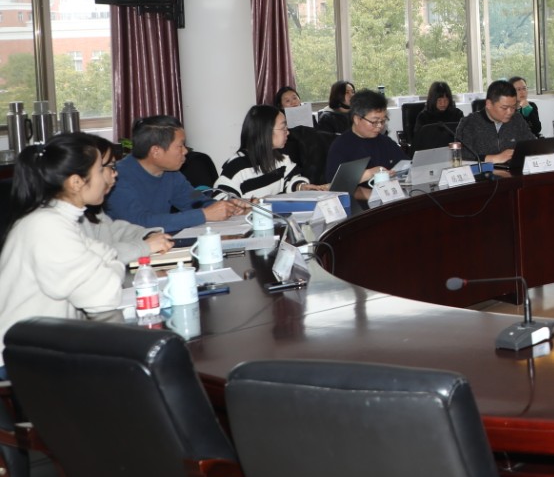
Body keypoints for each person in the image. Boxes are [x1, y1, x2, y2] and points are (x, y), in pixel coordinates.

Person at [0, 133, 155, 360]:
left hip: (44, 349)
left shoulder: (59, 219)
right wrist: (111, 264)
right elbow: (104, 296)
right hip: (20, 360)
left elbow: (105, 256)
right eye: (101, 170)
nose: (110, 176)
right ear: (76, 182)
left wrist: (107, 262)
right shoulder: (47, 226)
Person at [104, 115, 250, 232]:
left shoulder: (171, 174)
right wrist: (204, 215)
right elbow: (140, 222)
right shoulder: (117, 177)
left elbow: (194, 200)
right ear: (156, 151)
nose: (185, 151)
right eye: (180, 146)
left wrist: (227, 207)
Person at [216, 105, 326, 198]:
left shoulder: (282, 159)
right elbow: (219, 199)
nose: (287, 132)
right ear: (265, 132)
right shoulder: (236, 166)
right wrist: (245, 205)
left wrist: (300, 187)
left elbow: (292, 180)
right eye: (283, 128)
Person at [324, 88, 405, 180]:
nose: (379, 126)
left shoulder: (385, 142)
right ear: (357, 119)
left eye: (382, 121)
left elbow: (405, 165)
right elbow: (335, 184)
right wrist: (370, 174)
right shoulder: (341, 146)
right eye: (374, 121)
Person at [454, 79, 535, 165]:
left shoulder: (517, 119)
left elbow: (532, 145)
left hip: (513, 170)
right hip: (483, 172)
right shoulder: (469, 123)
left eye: (513, 107)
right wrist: (494, 158)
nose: (510, 112)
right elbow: (460, 155)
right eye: (504, 108)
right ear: (489, 104)